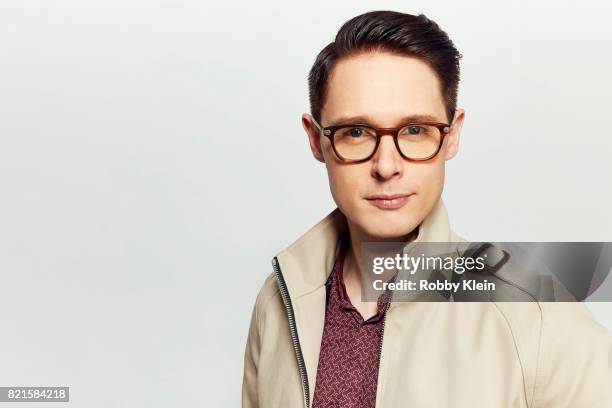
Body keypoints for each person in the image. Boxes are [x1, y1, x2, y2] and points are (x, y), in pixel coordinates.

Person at [242, 10, 612, 407]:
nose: (386, 166)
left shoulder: (534, 313)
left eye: (415, 130)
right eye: (356, 132)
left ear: (452, 136)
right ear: (316, 141)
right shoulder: (280, 297)